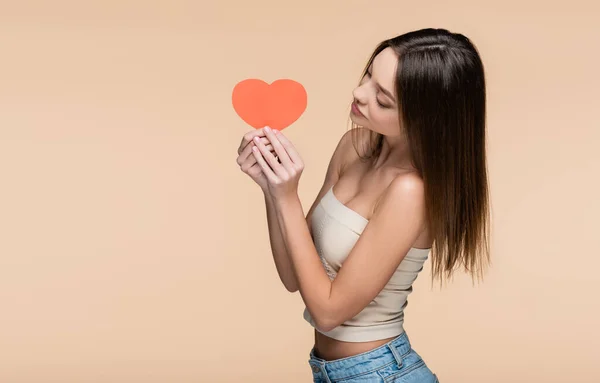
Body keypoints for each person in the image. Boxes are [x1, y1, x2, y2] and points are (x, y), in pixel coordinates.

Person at [235, 27, 491, 383]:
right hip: (330, 371)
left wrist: (288, 197)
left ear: (425, 120)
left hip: (380, 374)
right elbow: (294, 276)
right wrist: (272, 190)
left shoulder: (411, 192)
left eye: (383, 99)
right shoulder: (353, 146)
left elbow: (327, 312)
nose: (359, 93)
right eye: (369, 75)